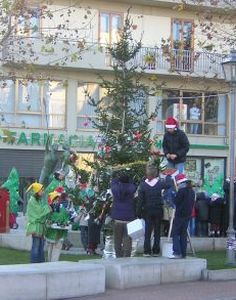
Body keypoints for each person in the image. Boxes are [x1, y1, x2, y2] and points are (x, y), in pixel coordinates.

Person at [137, 165, 172, 257]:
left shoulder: (143, 185)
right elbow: (169, 185)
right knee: (157, 231)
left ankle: (147, 251)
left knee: (148, 231)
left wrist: (138, 212)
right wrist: (168, 176)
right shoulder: (159, 183)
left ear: (147, 174)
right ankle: (156, 251)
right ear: (156, 174)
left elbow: (140, 200)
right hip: (158, 210)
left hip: (147, 210)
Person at [110, 172, 137, 258]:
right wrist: (130, 180)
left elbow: (113, 182)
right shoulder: (131, 188)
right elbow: (133, 184)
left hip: (117, 218)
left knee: (117, 240)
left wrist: (116, 178)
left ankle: (118, 257)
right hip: (128, 218)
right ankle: (127, 258)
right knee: (127, 240)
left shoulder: (115, 189)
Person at [170, 173, 195, 259]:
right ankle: (183, 253)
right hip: (187, 215)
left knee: (175, 233)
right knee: (183, 234)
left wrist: (173, 195)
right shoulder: (192, 191)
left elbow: (176, 202)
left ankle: (177, 252)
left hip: (180, 214)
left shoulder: (181, 191)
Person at [25, 182, 51, 263]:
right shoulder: (32, 201)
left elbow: (42, 212)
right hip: (35, 226)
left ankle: (40, 264)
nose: (42, 192)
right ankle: (34, 264)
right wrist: (48, 208)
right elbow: (39, 212)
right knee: (36, 247)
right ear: (36, 191)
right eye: (41, 190)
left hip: (40, 227)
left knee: (40, 247)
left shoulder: (38, 200)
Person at [45, 191, 70, 261]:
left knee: (53, 248)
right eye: (56, 199)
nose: (57, 201)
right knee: (52, 249)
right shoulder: (51, 208)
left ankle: (52, 264)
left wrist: (64, 223)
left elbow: (65, 218)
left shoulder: (57, 208)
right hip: (54, 232)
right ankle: (52, 264)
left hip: (56, 233)